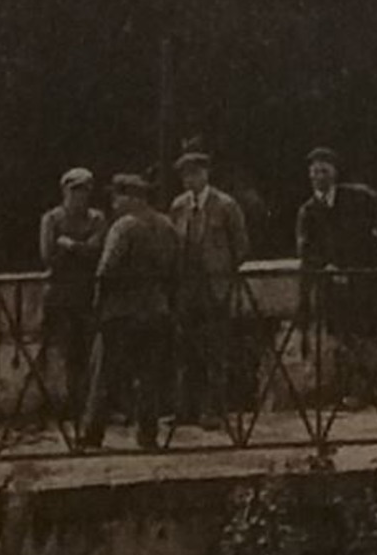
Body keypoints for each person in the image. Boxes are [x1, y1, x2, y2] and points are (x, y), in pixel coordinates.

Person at [79, 174, 180, 451]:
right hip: (156, 310)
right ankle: (147, 435)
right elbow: (175, 267)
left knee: (103, 372)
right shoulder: (167, 225)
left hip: (120, 313)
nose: (114, 203)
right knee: (149, 375)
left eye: (118, 197)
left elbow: (106, 269)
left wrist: (98, 306)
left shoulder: (124, 226)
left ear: (133, 198)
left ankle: (92, 432)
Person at [295, 147, 377, 410]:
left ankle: (368, 390)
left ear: (334, 173)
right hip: (332, 284)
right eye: (315, 171)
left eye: (324, 171)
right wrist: (326, 267)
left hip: (363, 280)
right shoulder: (308, 211)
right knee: (344, 337)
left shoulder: (356, 196)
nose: (319, 176)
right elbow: (305, 250)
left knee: (364, 332)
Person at [169, 148, 250, 430]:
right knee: (186, 350)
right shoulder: (178, 206)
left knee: (215, 351)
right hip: (186, 288)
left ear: (205, 174)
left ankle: (213, 410)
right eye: (184, 175)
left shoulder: (226, 205)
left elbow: (240, 247)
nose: (189, 180)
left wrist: (222, 274)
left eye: (194, 173)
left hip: (215, 288)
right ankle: (185, 410)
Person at [39, 168, 107, 421]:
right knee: (65, 351)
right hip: (60, 295)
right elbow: (48, 256)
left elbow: (98, 251)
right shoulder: (52, 219)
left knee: (91, 351)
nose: (80, 197)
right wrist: (82, 250)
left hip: (89, 294)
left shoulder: (97, 218)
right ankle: (69, 405)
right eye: (75, 191)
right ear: (65, 191)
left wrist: (71, 246)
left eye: (85, 191)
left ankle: (90, 407)